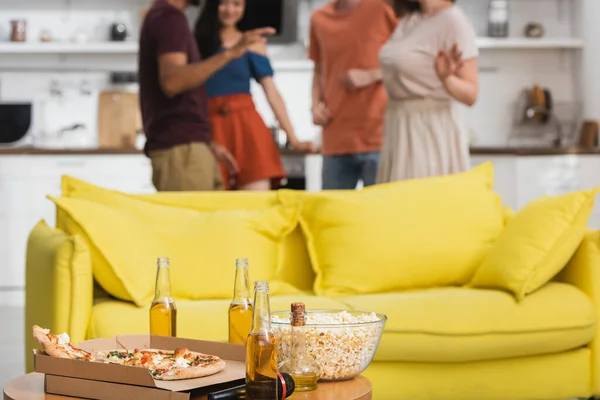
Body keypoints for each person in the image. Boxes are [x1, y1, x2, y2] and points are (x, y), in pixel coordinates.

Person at [138, 0, 274, 191]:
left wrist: (206, 142)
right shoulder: (169, 18)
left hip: (195, 146)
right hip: (183, 150)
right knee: (194, 220)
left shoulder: (167, 17)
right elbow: (173, 82)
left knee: (215, 219)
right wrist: (230, 54)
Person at [195, 0, 317, 191]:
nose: (230, 10)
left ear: (244, 9)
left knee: (255, 206)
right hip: (209, 131)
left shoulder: (252, 43)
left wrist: (293, 139)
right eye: (224, 4)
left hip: (248, 130)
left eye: (237, 4)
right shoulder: (197, 43)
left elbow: (272, 93)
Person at [377, 0, 479, 182]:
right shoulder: (411, 19)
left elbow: (471, 94)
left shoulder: (453, 21)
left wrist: (446, 78)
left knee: (418, 204)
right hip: (398, 127)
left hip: (427, 133)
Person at [309, 0, 397, 190]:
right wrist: (315, 105)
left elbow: (407, 60)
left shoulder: (383, 9)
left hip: (379, 135)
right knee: (334, 215)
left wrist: (371, 75)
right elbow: (318, 70)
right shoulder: (318, 18)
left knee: (380, 214)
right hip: (335, 137)